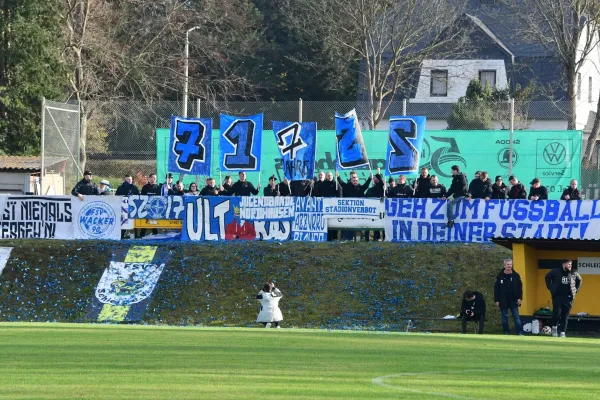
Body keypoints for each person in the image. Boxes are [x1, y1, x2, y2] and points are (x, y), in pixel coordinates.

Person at [545, 259, 582, 337]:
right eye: (568, 264)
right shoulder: (555, 271)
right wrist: (550, 287)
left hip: (568, 297)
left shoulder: (573, 272)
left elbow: (580, 280)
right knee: (557, 314)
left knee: (565, 316)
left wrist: (576, 290)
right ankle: (554, 329)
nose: (570, 266)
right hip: (557, 296)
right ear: (564, 264)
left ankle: (562, 332)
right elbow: (547, 277)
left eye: (571, 264)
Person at [337, 172, 372, 240]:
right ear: (351, 180)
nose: (355, 181)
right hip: (348, 211)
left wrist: (370, 178)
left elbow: (366, 185)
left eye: (356, 180)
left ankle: (357, 238)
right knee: (348, 225)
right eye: (354, 180)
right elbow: (341, 183)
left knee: (357, 225)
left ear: (358, 180)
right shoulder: (347, 186)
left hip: (358, 212)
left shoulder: (360, 188)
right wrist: (338, 176)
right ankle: (347, 238)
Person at [493, 259, 523, 335]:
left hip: (513, 300)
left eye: (510, 264)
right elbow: (496, 289)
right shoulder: (500, 276)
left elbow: (520, 287)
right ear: (504, 265)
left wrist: (520, 298)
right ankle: (506, 332)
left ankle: (519, 332)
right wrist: (496, 300)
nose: (509, 266)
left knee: (516, 317)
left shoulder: (516, 275)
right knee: (504, 318)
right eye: (508, 264)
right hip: (503, 300)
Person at [364, 174, 384, 241]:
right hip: (370, 209)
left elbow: (382, 183)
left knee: (377, 224)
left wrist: (379, 177)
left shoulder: (381, 187)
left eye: (375, 178)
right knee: (368, 224)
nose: (373, 179)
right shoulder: (370, 189)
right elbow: (365, 198)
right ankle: (367, 238)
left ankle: (377, 237)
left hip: (378, 208)